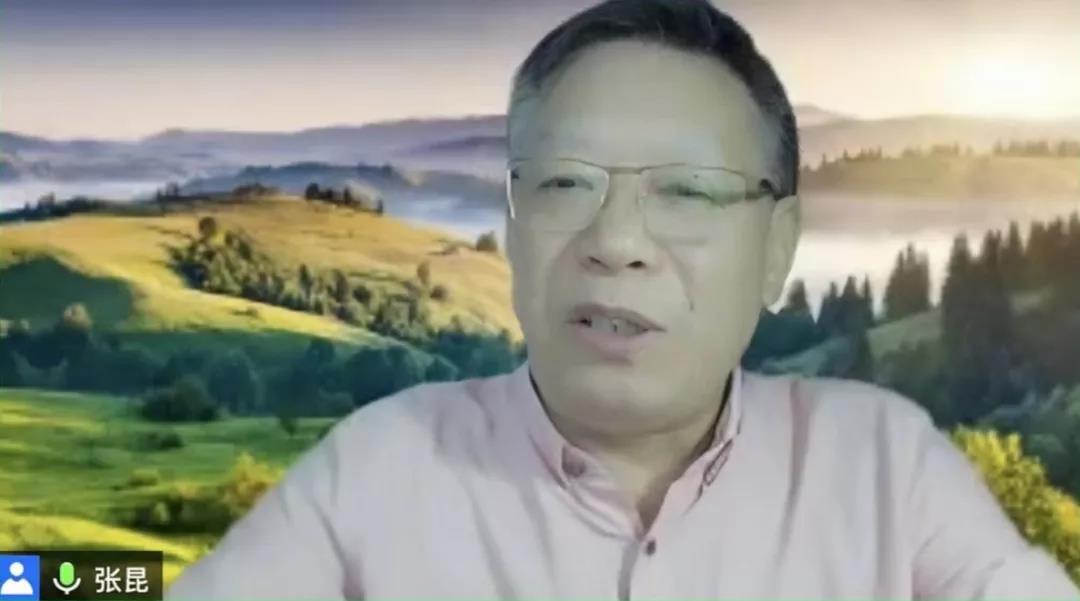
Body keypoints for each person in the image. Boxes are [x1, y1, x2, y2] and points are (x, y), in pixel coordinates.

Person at [167, 0, 1080, 598]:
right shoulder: (384, 465)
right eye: (566, 183)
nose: (616, 242)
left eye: (687, 191)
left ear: (777, 248)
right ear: (514, 226)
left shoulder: (882, 468)